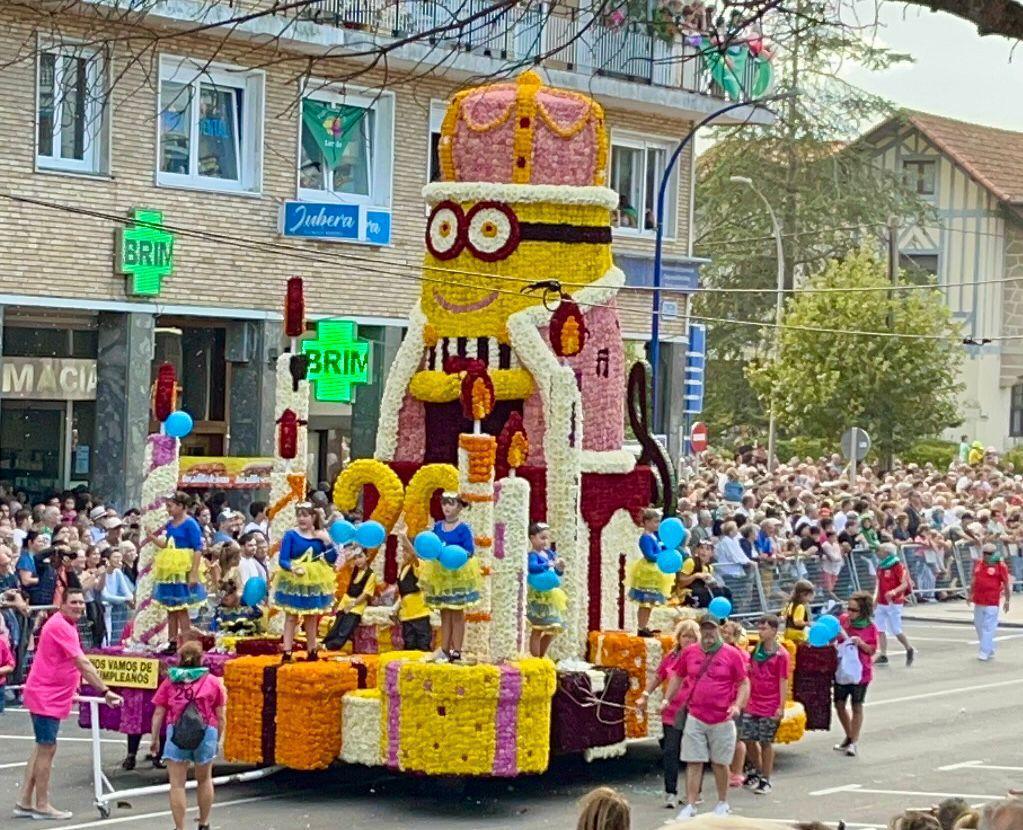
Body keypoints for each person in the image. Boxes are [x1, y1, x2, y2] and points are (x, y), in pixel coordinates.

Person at [17, 589, 123, 820]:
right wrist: (105, 691)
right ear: (61, 604)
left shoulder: (64, 624)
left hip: (48, 694)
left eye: (81, 603)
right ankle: (42, 804)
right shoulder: (60, 626)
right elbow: (82, 662)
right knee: (47, 748)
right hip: (46, 695)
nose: (79, 606)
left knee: (41, 747)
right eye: (73, 602)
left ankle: (25, 800)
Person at [669, 615, 750, 821]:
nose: (708, 635)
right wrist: (668, 699)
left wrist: (737, 705)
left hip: (722, 717)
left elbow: (743, 683)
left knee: (720, 763)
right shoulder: (689, 652)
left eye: (711, 630)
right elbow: (677, 676)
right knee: (693, 761)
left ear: (718, 631)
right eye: (704, 630)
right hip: (696, 715)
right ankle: (690, 804)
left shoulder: (732, 654)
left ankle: (723, 802)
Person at [150, 641, 227, 830]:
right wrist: (218, 738)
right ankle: (204, 822)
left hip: (176, 732)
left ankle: (180, 827)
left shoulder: (169, 681)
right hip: (206, 731)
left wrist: (154, 740)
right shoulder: (212, 681)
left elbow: (158, 713)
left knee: (177, 785)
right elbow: (221, 715)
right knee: (204, 779)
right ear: (201, 659)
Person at [637, 619, 699, 808]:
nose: (687, 640)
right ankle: (670, 792)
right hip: (671, 711)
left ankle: (694, 793)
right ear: (678, 638)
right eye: (684, 636)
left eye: (691, 636)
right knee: (670, 751)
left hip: (694, 710)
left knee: (693, 753)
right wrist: (645, 695)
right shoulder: (671, 657)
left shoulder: (701, 657)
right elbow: (658, 676)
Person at [273, 502, 337, 662]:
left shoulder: (319, 536)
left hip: (313, 580)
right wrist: (292, 569)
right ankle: (287, 651)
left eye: (305, 515)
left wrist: (327, 542)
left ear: (313, 517)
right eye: (299, 515)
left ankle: (312, 650)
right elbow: (283, 560)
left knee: (311, 616)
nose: (301, 519)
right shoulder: (291, 535)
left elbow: (332, 559)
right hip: (294, 579)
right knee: (291, 616)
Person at [420, 492, 479, 662]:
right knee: (444, 612)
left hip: (458, 574)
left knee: (457, 613)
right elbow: (432, 547)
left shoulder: (463, 528)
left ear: (459, 507)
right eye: (444, 503)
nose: (447, 507)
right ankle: (444, 649)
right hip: (441, 574)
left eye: (451, 504)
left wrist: (454, 555)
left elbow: (470, 551)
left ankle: (457, 651)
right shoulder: (437, 527)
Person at [149, 492, 207, 654]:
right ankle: (172, 641)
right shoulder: (170, 524)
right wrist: (152, 537)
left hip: (183, 568)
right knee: (171, 607)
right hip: (171, 570)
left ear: (181, 506)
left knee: (182, 608)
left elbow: (197, 548)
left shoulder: (190, 524)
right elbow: (166, 543)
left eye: (170, 506)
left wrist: (194, 573)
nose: (168, 509)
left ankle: (186, 644)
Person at [739, 615, 790, 795]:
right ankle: (757, 770)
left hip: (770, 703)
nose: (760, 632)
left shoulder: (781, 655)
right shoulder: (756, 650)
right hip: (753, 701)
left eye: (764, 629)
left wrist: (781, 706)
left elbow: (782, 680)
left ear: (775, 631)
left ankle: (766, 778)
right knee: (747, 737)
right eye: (759, 628)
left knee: (766, 741)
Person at [833, 590, 878, 757]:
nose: (849, 613)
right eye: (848, 608)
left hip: (861, 672)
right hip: (842, 669)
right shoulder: (843, 621)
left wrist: (860, 643)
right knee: (839, 704)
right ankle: (850, 734)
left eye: (853, 610)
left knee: (856, 705)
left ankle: (854, 740)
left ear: (863, 611)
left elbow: (872, 650)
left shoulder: (870, 627)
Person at [525, 522, 567, 657]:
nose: (545, 541)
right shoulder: (532, 554)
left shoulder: (550, 553)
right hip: (538, 594)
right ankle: (536, 659)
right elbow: (532, 568)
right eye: (542, 538)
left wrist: (560, 568)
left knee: (553, 628)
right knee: (538, 628)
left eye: (547, 538)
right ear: (532, 538)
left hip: (551, 594)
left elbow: (556, 573)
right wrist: (547, 564)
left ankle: (541, 657)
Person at [323, 547, 376, 652]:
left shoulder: (371, 574)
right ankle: (324, 644)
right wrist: (354, 547)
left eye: (360, 557)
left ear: (368, 557)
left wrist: (351, 605)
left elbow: (365, 594)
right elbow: (345, 561)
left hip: (356, 606)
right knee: (336, 626)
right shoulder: (354, 570)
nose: (358, 560)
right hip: (345, 603)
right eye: (355, 558)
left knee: (345, 629)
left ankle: (330, 647)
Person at [629, 508, 672, 636]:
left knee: (650, 602)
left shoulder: (653, 536)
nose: (657, 524)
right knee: (645, 602)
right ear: (647, 522)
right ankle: (641, 627)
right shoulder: (645, 537)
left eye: (658, 522)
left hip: (654, 570)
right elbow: (649, 555)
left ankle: (644, 625)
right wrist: (661, 556)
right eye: (655, 522)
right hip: (648, 570)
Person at [393, 521, 433, 652]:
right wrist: (396, 609)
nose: (404, 553)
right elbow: (403, 594)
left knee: (423, 646)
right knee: (409, 646)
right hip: (407, 615)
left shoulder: (419, 564)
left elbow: (415, 556)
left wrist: (404, 538)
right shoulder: (403, 569)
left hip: (419, 614)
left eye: (407, 550)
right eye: (403, 550)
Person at [968, 543, 1011, 661]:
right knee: (978, 626)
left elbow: (1006, 584)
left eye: (990, 553)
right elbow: (974, 579)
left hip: (992, 601)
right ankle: (989, 648)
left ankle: (984, 651)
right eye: (985, 553)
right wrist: (970, 594)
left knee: (988, 627)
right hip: (979, 600)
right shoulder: (978, 564)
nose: (988, 556)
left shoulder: (1000, 566)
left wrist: (1007, 600)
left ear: (995, 554)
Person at [874, 543, 915, 666]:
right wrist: (875, 598)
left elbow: (904, 584)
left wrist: (894, 592)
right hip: (881, 601)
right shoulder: (880, 567)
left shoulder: (897, 566)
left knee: (896, 629)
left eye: (879, 550)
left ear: (887, 552)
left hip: (894, 602)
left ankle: (908, 648)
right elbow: (878, 584)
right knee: (879, 628)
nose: (877, 553)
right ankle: (883, 654)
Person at [101, 547, 135, 646]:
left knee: (117, 636)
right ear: (107, 559)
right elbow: (105, 596)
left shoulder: (118, 572)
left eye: (119, 557)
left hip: (116, 610)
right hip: (103, 609)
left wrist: (129, 598)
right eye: (115, 557)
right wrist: (125, 599)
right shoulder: (102, 573)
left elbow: (126, 591)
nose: (118, 560)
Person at [782, 579, 814, 644]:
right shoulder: (800, 607)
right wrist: (809, 623)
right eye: (809, 595)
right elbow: (797, 622)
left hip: (787, 633)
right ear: (803, 595)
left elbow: (784, 616)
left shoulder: (790, 603)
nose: (810, 598)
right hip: (797, 635)